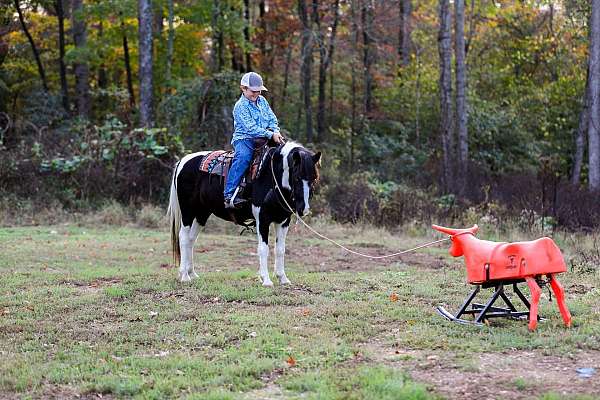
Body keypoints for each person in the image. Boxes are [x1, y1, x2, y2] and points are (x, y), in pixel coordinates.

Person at [223, 72, 284, 209]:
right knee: (243, 157)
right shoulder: (240, 106)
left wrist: (276, 131)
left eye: (259, 91)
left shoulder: (262, 101)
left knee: (281, 155)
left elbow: (272, 118)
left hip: (264, 138)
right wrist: (270, 134)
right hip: (245, 139)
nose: (256, 94)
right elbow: (250, 128)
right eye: (253, 91)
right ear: (243, 88)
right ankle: (229, 194)